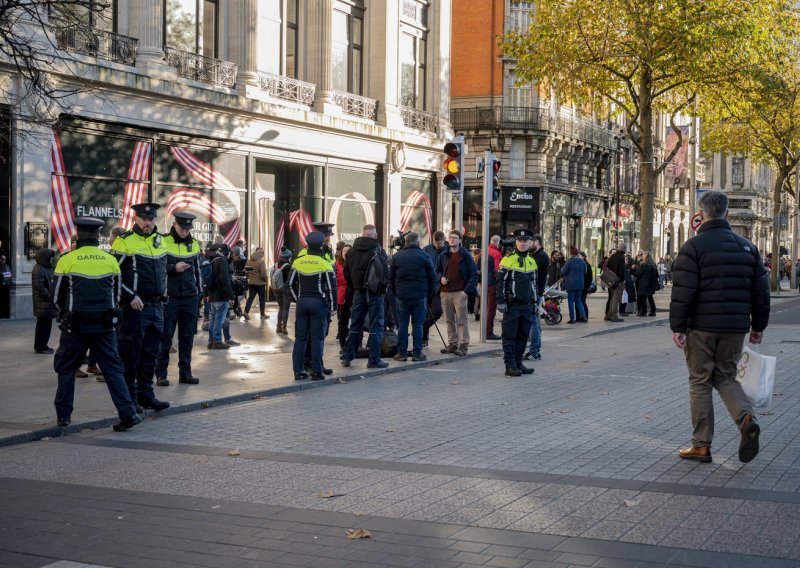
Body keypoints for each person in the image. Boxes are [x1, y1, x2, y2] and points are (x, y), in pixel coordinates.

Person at [670, 190, 770, 464]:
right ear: (727, 213)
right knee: (726, 376)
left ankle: (701, 445)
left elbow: (684, 290)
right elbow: (761, 293)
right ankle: (745, 417)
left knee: (700, 381)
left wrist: (677, 326)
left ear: (700, 214)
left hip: (701, 327)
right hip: (735, 327)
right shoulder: (747, 248)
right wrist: (758, 325)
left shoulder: (693, 247)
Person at [51, 217, 142, 431]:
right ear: (99, 236)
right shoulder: (109, 260)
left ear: (78, 234)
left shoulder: (67, 259)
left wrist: (64, 313)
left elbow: (56, 296)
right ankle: (128, 413)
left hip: (76, 325)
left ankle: (63, 417)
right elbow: (119, 294)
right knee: (113, 369)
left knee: (66, 368)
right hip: (105, 325)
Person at [111, 202, 170, 412]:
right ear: (136, 219)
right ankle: (131, 399)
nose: (148, 222)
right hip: (135, 307)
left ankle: (147, 395)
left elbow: (165, 271)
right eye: (144, 219)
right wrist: (129, 296)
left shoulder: (160, 241)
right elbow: (113, 274)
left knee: (150, 354)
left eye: (151, 219)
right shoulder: (124, 241)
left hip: (157, 306)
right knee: (132, 355)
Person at [154, 211, 202, 387]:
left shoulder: (195, 244)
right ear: (174, 224)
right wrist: (173, 267)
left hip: (190, 297)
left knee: (187, 338)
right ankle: (160, 374)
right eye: (182, 228)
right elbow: (156, 268)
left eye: (188, 228)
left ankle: (185, 373)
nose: (185, 232)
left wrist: (199, 294)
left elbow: (198, 271)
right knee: (165, 338)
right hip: (170, 298)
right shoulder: (162, 241)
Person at [288, 231, 336, 380]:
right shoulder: (325, 264)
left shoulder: (298, 261)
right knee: (317, 339)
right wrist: (333, 307)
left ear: (307, 245)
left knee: (300, 338)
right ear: (321, 246)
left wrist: (298, 299)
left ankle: (298, 371)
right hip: (318, 303)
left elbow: (289, 285)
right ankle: (317, 371)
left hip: (302, 303)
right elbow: (331, 288)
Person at [342, 224, 389, 369]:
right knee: (376, 325)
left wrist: (355, 287)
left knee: (355, 324)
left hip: (358, 292)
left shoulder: (351, 252)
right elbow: (385, 273)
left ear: (362, 235)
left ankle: (347, 356)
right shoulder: (378, 250)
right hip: (375, 293)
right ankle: (374, 360)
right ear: (374, 235)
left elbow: (346, 274)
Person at [389, 231, 436, 362]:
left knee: (403, 325)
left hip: (402, 296)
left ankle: (402, 353)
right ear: (418, 242)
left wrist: (395, 293)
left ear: (406, 241)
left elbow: (391, 278)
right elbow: (433, 279)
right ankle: (417, 353)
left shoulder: (397, 257)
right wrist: (427, 294)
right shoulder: (425, 256)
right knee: (418, 325)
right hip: (420, 296)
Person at [497, 229, 538, 377]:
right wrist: (500, 301)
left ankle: (518, 362)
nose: (522, 243)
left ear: (530, 242)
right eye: (520, 241)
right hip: (512, 305)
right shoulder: (507, 259)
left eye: (525, 240)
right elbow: (500, 282)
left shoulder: (532, 261)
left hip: (527, 305)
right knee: (509, 336)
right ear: (516, 242)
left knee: (522, 335)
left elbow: (534, 284)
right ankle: (510, 365)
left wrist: (535, 302)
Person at [436, 230, 478, 356]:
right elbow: (436, 271)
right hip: (445, 292)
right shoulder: (443, 255)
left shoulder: (466, 256)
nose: (452, 239)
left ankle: (463, 344)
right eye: (450, 237)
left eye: (455, 238)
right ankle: (452, 343)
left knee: (462, 320)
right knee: (449, 320)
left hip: (460, 292)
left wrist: (466, 291)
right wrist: (440, 278)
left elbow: (474, 274)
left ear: (460, 240)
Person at [205, 243, 237, 349]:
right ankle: (218, 341)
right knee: (219, 319)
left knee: (213, 318)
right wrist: (231, 296)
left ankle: (211, 341)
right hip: (221, 295)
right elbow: (225, 280)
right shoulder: (222, 260)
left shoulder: (210, 259)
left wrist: (206, 294)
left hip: (212, 295)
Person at [524, 235, 549, 361]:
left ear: (536, 242)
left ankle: (534, 350)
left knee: (533, 321)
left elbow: (531, 272)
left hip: (535, 292)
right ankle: (536, 349)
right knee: (535, 321)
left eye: (530, 242)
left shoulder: (541, 256)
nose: (528, 244)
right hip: (535, 291)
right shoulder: (536, 255)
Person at [422, 231, 446, 347]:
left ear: (444, 240)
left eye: (439, 244)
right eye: (435, 244)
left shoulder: (447, 251)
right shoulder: (426, 249)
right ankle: (424, 338)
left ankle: (422, 327)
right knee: (424, 312)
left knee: (437, 311)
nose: (437, 246)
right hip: (426, 285)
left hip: (440, 287)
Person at [32, 248, 57, 354]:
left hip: (47, 302)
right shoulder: (38, 269)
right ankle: (41, 347)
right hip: (43, 303)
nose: (51, 259)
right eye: (50, 257)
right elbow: (39, 286)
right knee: (43, 327)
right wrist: (49, 296)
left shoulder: (45, 267)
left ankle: (42, 345)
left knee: (45, 325)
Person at [561, 245, 587, 323]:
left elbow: (563, 271)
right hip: (580, 285)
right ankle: (583, 316)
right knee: (579, 301)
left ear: (571, 254)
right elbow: (584, 272)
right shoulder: (582, 262)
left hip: (571, 285)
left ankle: (572, 319)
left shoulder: (569, 261)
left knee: (571, 301)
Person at [334, 242, 352, 350]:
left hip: (354, 294)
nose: (346, 253)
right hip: (342, 296)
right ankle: (343, 344)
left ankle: (357, 344)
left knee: (356, 320)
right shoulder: (336, 265)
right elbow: (337, 280)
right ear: (341, 253)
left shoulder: (355, 264)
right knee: (343, 321)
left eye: (348, 251)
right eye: (344, 251)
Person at [243, 246, 269, 320]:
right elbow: (263, 274)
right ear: (258, 252)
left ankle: (246, 312)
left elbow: (247, 271)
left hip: (251, 282)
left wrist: (250, 277)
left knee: (250, 298)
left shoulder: (249, 260)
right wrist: (266, 280)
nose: (263, 254)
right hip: (260, 283)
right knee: (262, 299)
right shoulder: (261, 262)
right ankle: (262, 314)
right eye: (262, 252)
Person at [603, 243, 626, 322]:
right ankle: (614, 315)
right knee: (616, 298)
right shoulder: (621, 257)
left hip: (611, 280)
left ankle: (608, 315)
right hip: (618, 281)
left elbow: (607, 267)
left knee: (612, 298)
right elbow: (621, 270)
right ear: (624, 250)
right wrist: (622, 280)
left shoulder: (612, 256)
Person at [486, 235, 503, 340]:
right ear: (498, 243)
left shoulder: (485, 251)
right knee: (491, 309)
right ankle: (489, 332)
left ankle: (486, 330)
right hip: (492, 284)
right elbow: (498, 271)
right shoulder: (496, 253)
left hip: (485, 283)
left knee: (486, 308)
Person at [274, 247, 293, 334]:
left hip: (276, 289)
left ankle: (278, 327)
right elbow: (290, 280)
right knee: (285, 309)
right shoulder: (288, 266)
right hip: (285, 290)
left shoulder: (276, 264)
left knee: (280, 308)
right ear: (289, 257)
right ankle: (284, 327)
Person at [635, 251, 659, 317]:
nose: (642, 256)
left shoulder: (644, 264)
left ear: (646, 256)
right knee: (650, 297)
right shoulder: (653, 264)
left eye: (644, 255)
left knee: (643, 297)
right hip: (651, 283)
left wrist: (635, 269)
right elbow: (656, 274)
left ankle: (644, 312)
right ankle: (653, 311)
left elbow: (638, 273)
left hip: (644, 283)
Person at [579, 251, 592, 320]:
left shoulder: (587, 265)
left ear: (583, 257)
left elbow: (590, 277)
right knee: (578, 302)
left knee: (582, 301)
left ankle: (585, 316)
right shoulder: (578, 264)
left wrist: (587, 286)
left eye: (579, 255)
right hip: (578, 286)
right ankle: (579, 317)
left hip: (584, 287)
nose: (578, 257)